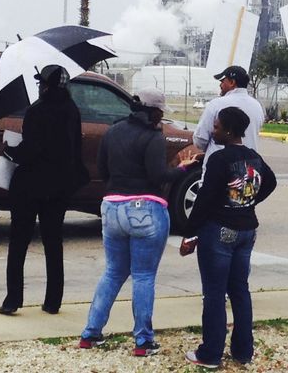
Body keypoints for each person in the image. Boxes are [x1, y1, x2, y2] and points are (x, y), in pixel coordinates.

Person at [79, 89, 198, 356]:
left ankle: (90, 333)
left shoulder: (113, 131)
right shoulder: (153, 136)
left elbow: (102, 168)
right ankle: (143, 341)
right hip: (145, 208)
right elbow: (158, 177)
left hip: (112, 207)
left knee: (112, 272)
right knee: (143, 276)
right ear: (156, 112)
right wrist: (183, 168)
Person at [180, 107, 277, 369]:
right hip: (247, 230)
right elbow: (271, 182)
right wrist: (247, 202)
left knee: (214, 294)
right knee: (239, 290)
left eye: (217, 126)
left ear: (229, 130)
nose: (214, 130)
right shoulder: (253, 157)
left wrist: (189, 233)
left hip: (220, 231)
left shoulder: (220, 159)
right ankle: (243, 351)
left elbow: (205, 199)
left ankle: (210, 354)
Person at [0, 64, 88, 315]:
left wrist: (7, 151)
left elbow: (29, 151)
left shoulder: (37, 112)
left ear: (46, 86)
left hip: (29, 187)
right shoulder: (72, 110)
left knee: (18, 243)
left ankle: (13, 300)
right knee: (53, 242)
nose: (39, 87)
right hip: (58, 188)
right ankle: (52, 301)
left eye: (41, 83)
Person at [194, 65, 265, 174]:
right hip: (247, 168)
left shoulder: (216, 104)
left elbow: (200, 138)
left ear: (232, 82)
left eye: (223, 81)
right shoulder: (257, 106)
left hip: (219, 166)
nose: (220, 85)